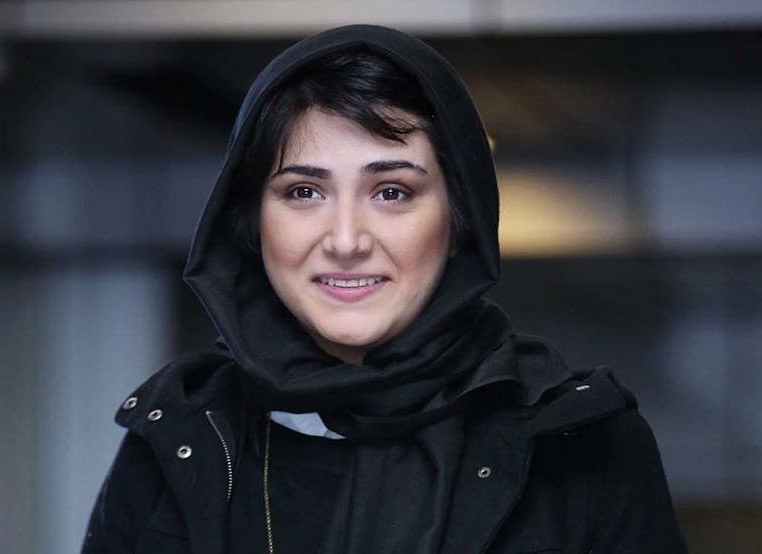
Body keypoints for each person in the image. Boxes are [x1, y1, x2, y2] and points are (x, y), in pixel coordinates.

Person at [82, 24, 688, 554]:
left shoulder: (580, 442)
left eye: (392, 192)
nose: (346, 239)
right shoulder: (179, 438)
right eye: (303, 192)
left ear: (461, 219)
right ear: (250, 222)